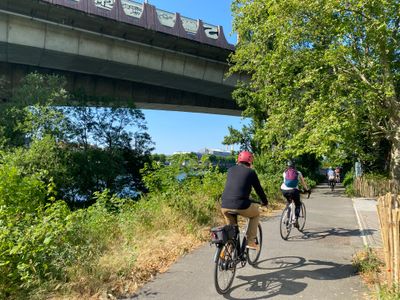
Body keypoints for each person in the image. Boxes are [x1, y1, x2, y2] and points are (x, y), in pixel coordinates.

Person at [221, 150, 268, 250]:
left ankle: (230, 249)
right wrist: (265, 202)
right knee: (255, 214)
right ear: (250, 162)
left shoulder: (230, 170)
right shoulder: (251, 172)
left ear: (238, 160)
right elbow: (259, 190)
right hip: (241, 205)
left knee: (232, 230)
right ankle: (251, 241)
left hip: (224, 205)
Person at [281, 160, 309, 228]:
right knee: (298, 204)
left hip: (284, 190)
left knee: (289, 202)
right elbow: (303, 183)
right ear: (294, 166)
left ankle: (288, 217)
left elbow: (285, 182)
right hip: (294, 191)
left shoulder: (284, 173)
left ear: (287, 166)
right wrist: (307, 189)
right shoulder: (298, 173)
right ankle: (295, 219)